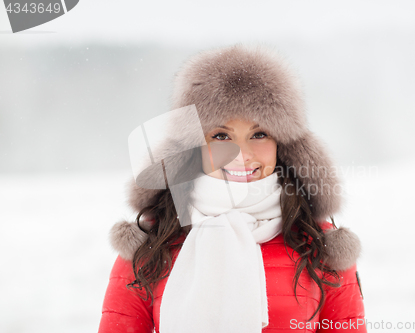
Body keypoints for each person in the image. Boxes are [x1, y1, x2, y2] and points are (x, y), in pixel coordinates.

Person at [98, 44, 366, 333]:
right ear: (193, 147)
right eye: (221, 135)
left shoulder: (321, 246)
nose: (241, 154)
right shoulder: (149, 245)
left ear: (284, 145)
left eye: (259, 134)